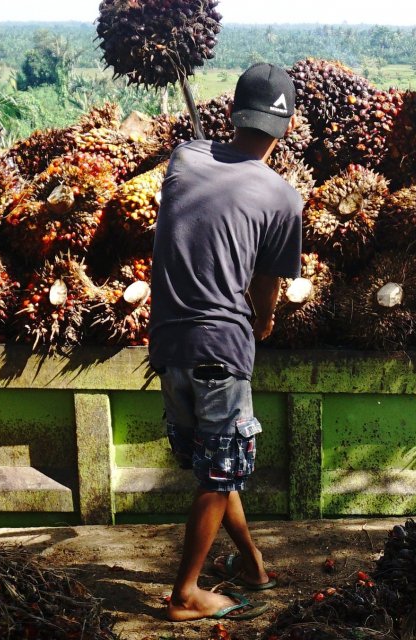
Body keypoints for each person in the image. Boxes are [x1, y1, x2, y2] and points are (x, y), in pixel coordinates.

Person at [149, 63, 303, 622]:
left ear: (234, 111)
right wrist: (263, 323)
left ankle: (252, 565)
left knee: (218, 465)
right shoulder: (283, 198)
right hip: (221, 347)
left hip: (167, 347)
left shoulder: (184, 158)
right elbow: (266, 283)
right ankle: (185, 592)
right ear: (285, 126)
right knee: (220, 474)